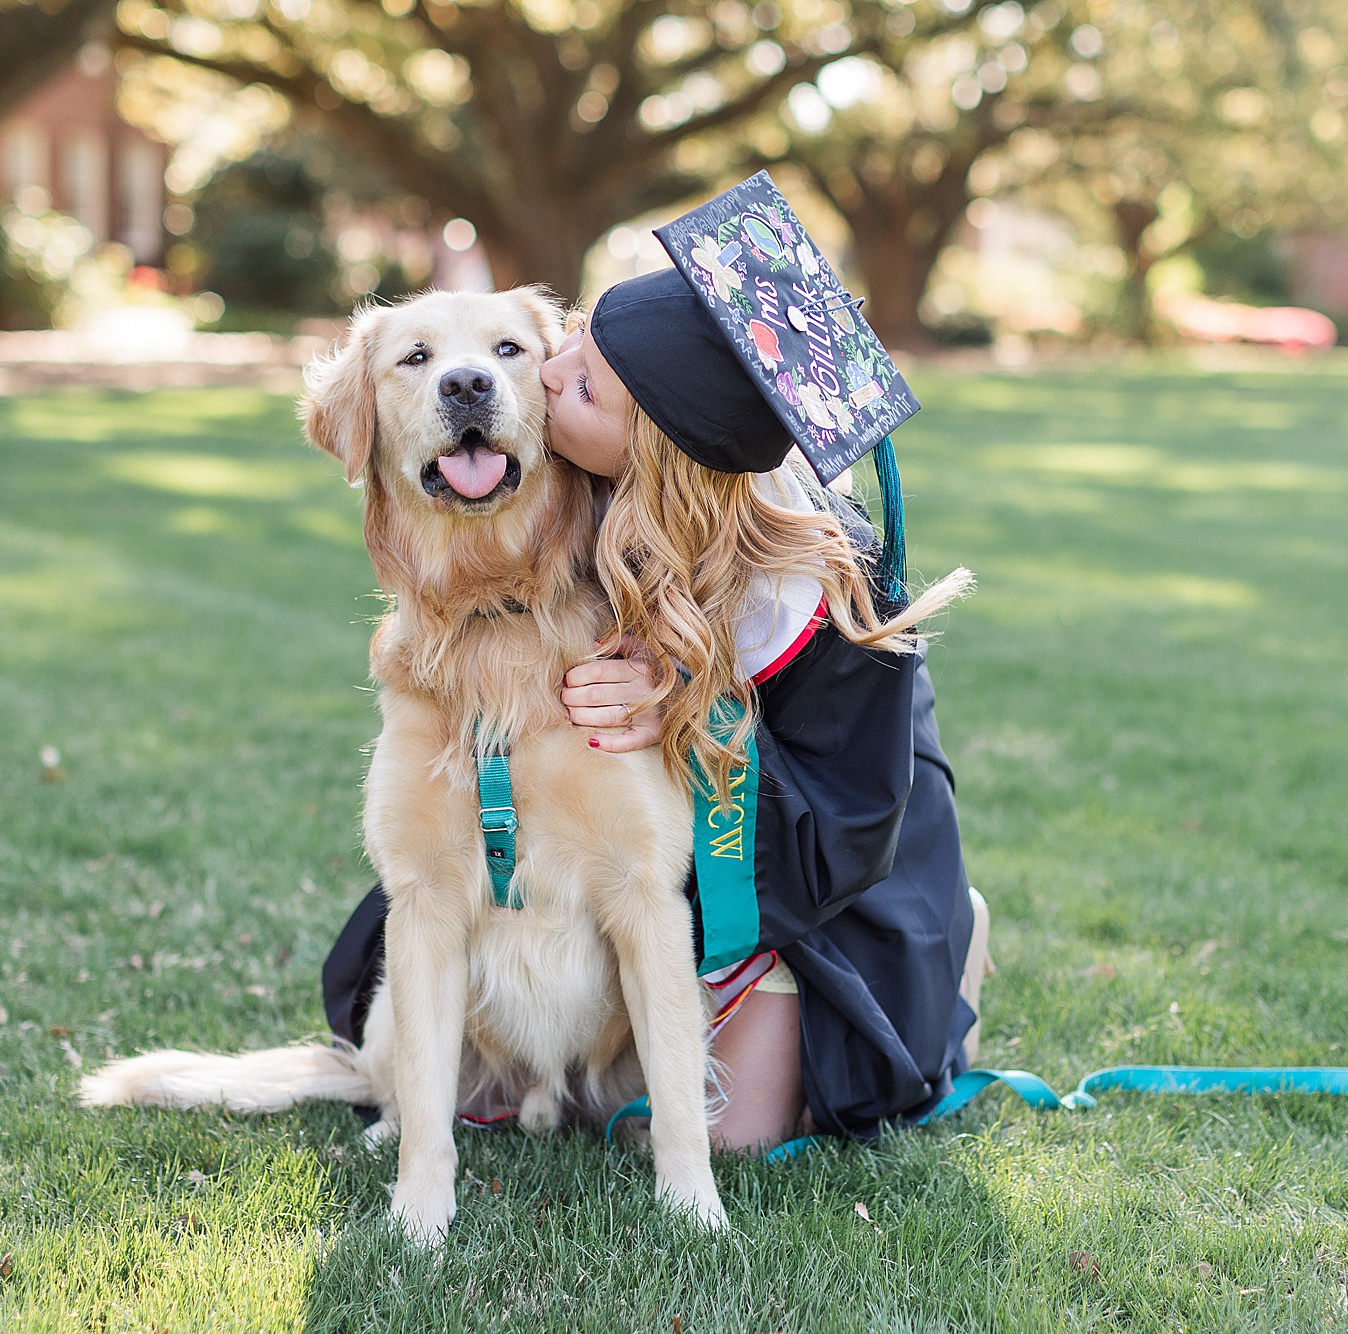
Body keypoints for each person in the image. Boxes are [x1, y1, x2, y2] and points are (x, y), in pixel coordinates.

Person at [324, 174, 989, 1150]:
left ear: (654, 454)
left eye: (582, 385)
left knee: (735, 1132)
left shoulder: (826, 597)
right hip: (670, 878)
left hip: (830, 890)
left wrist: (692, 706)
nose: (545, 377)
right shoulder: (582, 491)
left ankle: (953, 948)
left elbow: (847, 827)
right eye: (574, 341)